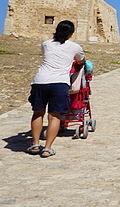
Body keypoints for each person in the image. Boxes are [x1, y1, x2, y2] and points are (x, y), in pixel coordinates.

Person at [28, 20, 85, 158]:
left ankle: (35, 144)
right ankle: (47, 148)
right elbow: (82, 60)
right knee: (54, 116)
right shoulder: (75, 47)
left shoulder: (46, 44)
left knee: (38, 113)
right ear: (71, 33)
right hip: (59, 83)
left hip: (40, 81)